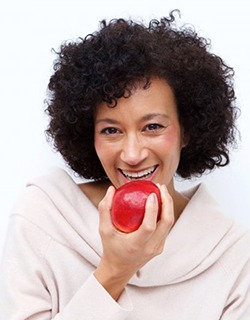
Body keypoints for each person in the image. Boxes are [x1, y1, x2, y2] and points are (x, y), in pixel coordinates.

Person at [1, 10, 250, 319]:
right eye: (111, 130)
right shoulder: (43, 216)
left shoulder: (233, 254)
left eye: (153, 127)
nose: (132, 155)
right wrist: (114, 271)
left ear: (186, 130)